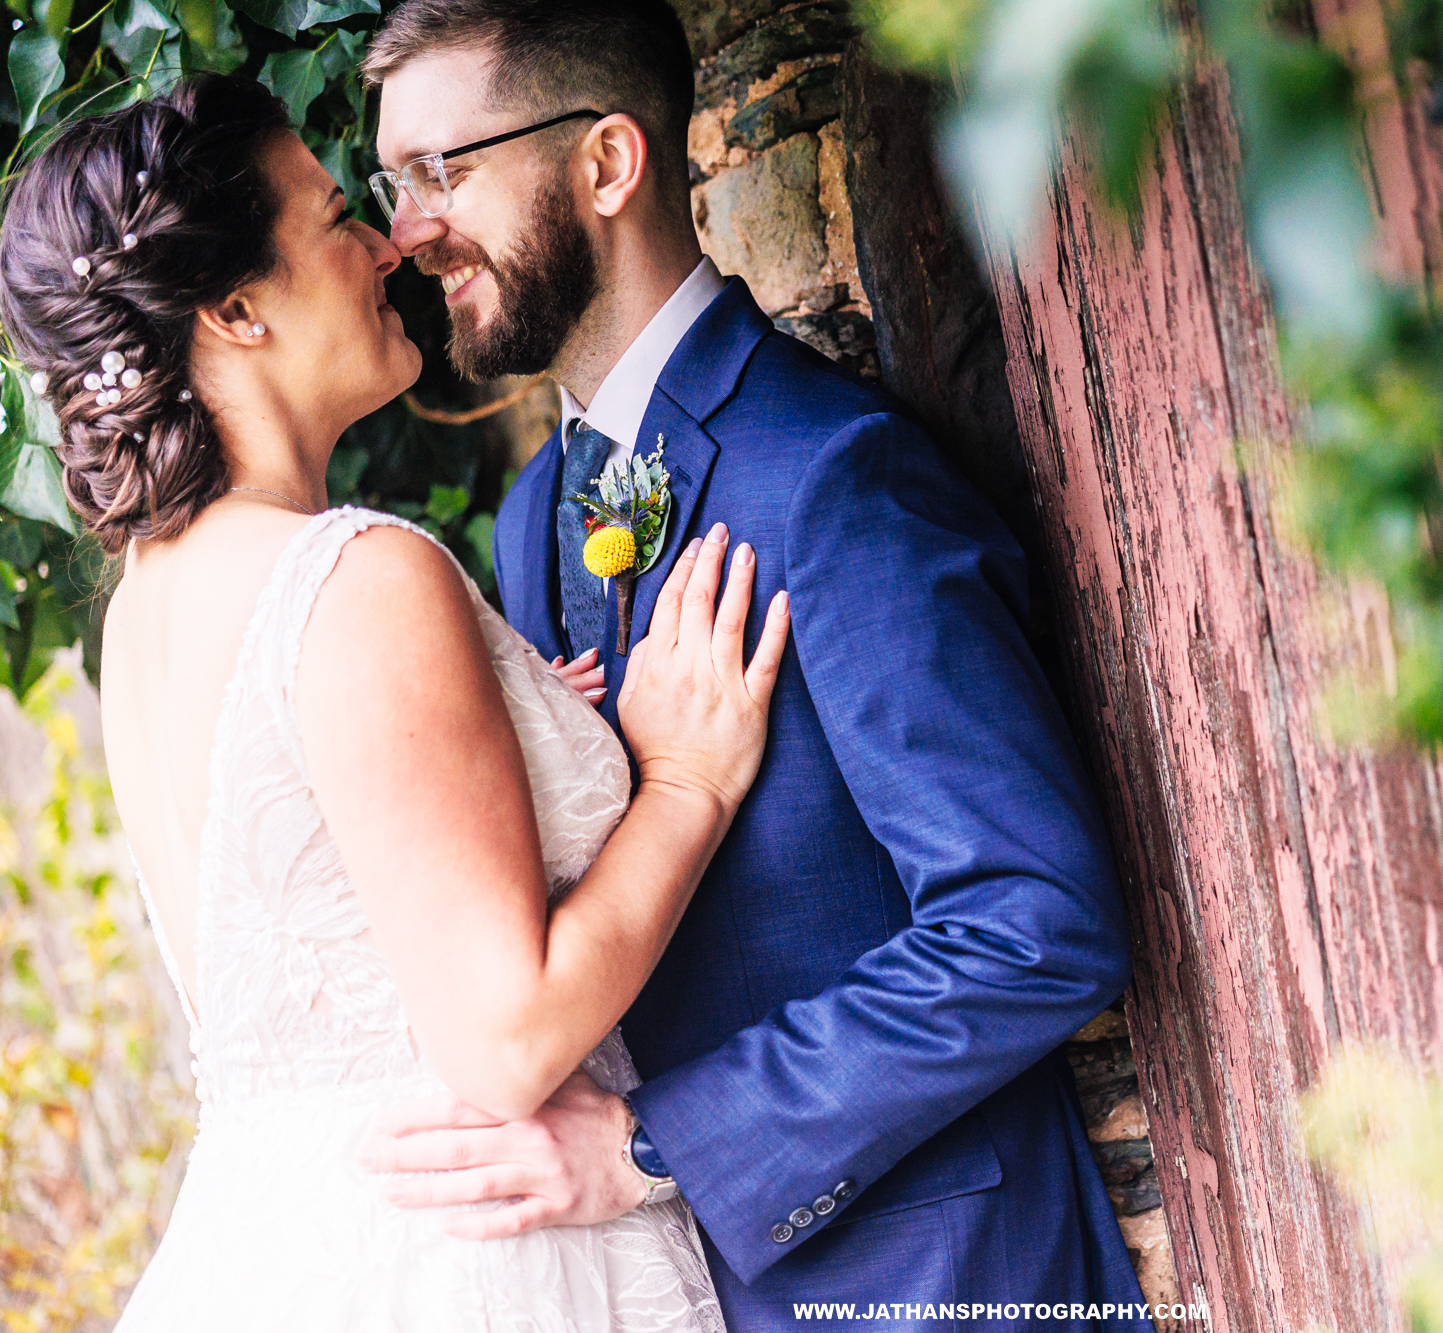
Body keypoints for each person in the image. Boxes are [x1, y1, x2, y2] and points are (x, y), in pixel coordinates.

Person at [357, 2, 1152, 1327]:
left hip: (935, 1283)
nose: (407, 231)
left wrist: (655, 1146)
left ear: (607, 164)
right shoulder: (533, 514)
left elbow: (1035, 922)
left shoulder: (833, 477)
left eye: (447, 171)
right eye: (397, 183)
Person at [0, 74, 791, 1329]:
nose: (387, 245)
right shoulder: (355, 576)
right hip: (463, 1252)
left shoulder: (147, 606)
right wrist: (685, 785)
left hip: (280, 1246)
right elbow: (505, 1037)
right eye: (333, 219)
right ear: (237, 308)